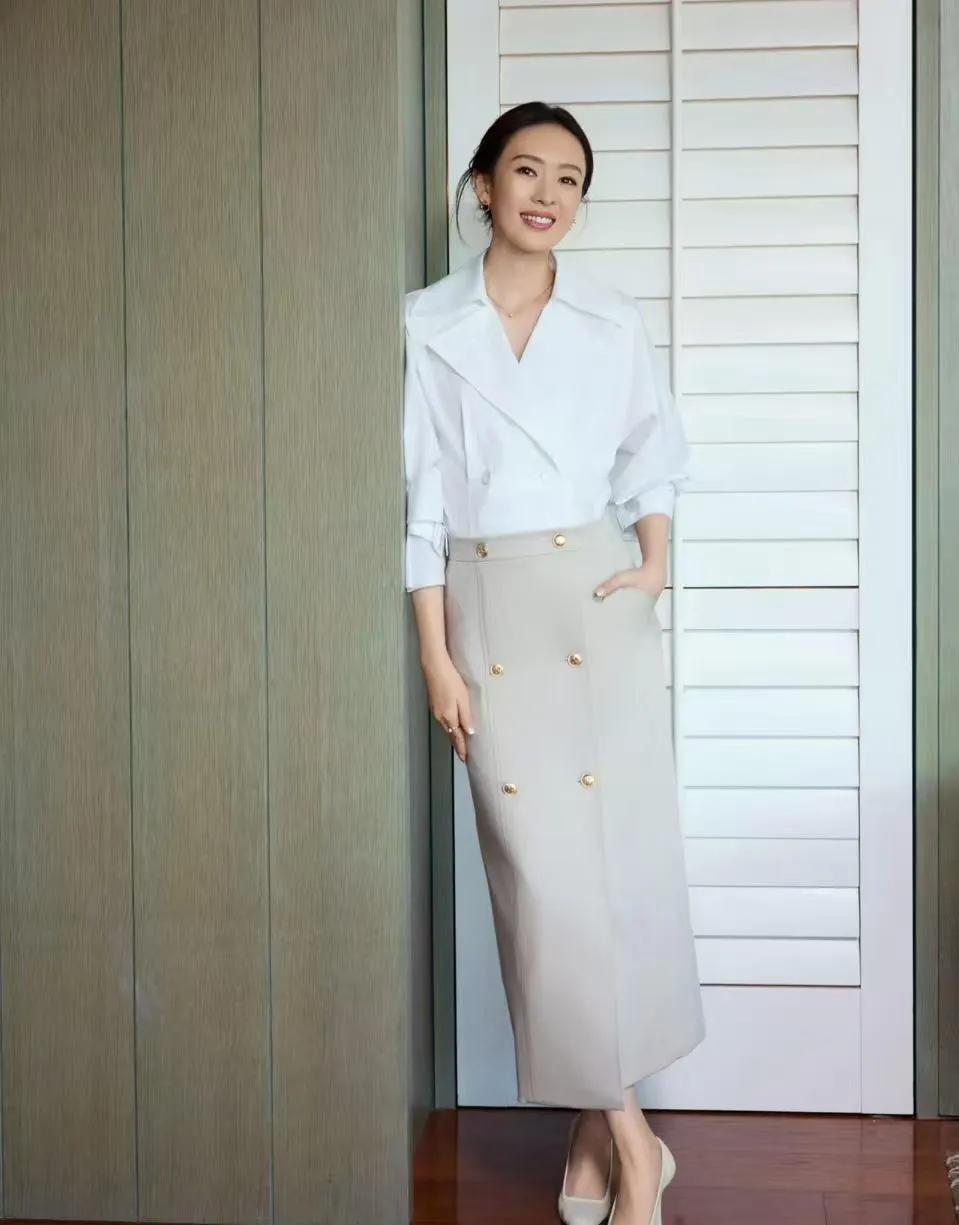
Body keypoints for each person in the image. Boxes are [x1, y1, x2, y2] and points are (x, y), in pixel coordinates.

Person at [402, 101, 706, 1225]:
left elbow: (651, 454)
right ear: (482, 186)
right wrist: (436, 656)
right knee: (541, 881)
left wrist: (652, 565)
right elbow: (419, 507)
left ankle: (596, 1128)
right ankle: (632, 1138)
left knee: (616, 873)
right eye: (525, 171)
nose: (546, 194)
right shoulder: (423, 323)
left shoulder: (610, 318)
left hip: (596, 598)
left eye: (569, 178)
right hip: (487, 610)